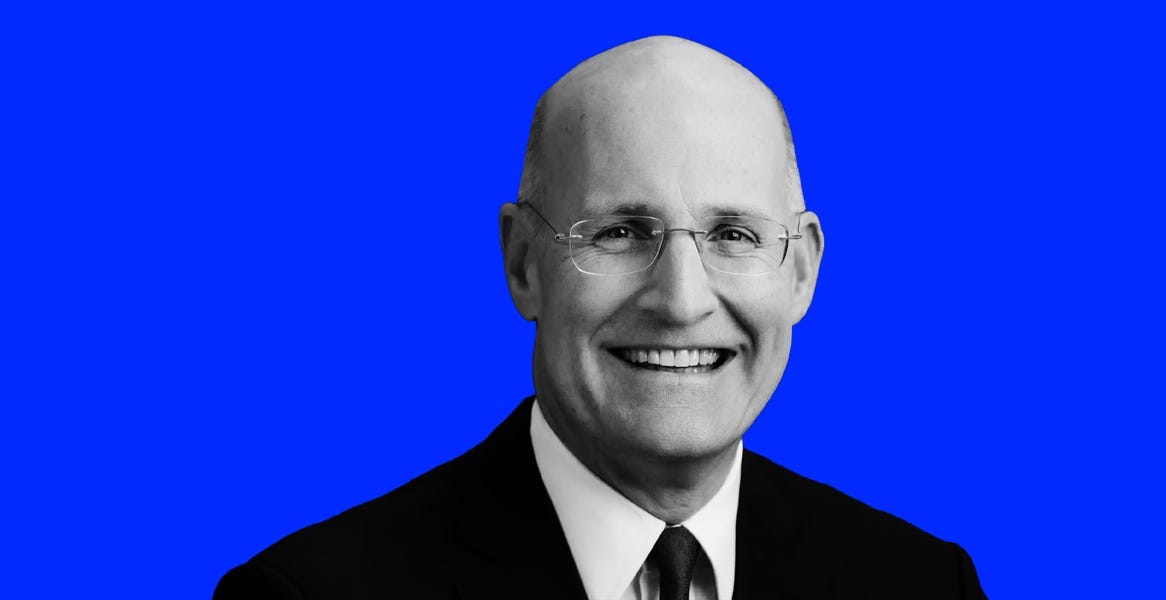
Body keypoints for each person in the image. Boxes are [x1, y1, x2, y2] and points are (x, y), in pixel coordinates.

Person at [214, 35, 987, 600]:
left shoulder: (922, 584)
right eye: (619, 233)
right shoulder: (308, 595)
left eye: (733, 235)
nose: (681, 301)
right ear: (523, 264)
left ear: (802, 270)